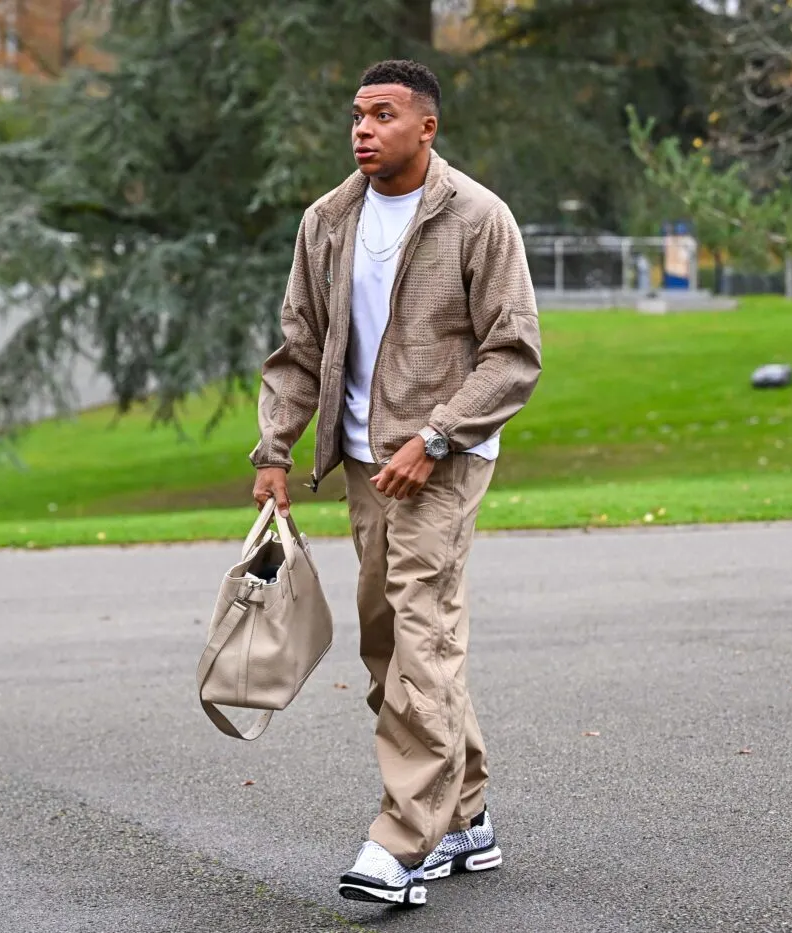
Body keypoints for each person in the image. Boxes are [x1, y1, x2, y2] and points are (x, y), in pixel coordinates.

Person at [249, 59, 542, 908]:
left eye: (382, 115)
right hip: (367, 465)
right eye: (356, 116)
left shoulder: (477, 218)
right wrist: (275, 448)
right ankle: (467, 815)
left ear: (427, 127)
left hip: (441, 465)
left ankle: (402, 840)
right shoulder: (328, 220)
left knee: (419, 633)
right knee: (394, 643)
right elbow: (299, 347)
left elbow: (513, 355)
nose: (363, 130)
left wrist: (438, 436)